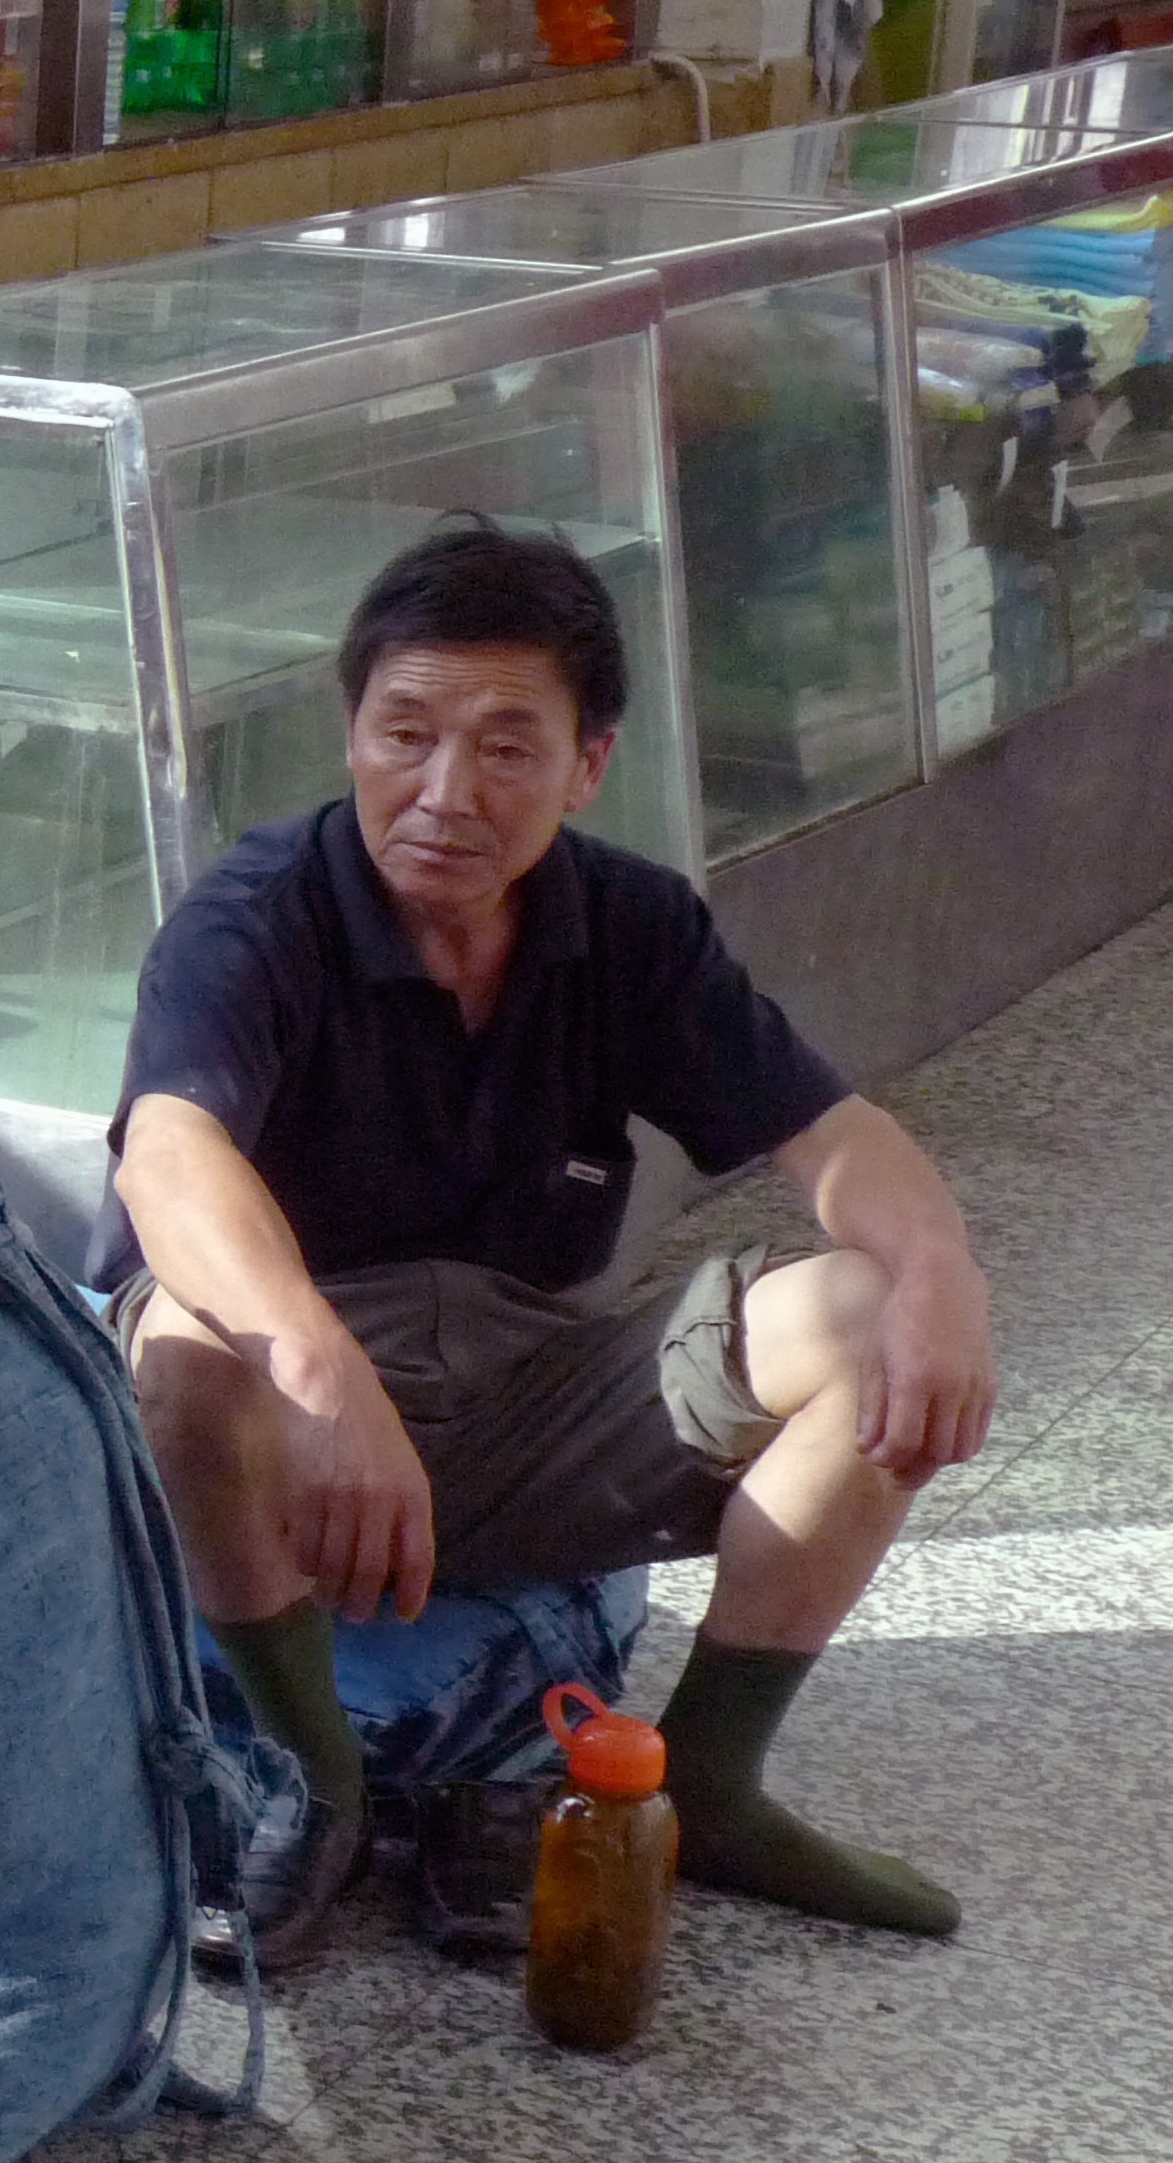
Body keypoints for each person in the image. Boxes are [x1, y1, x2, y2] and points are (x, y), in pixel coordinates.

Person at [104, 519, 993, 1959]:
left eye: (507, 746)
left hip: (524, 1397)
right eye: (405, 732)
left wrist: (940, 1272)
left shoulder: (627, 925)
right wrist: (325, 1380)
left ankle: (705, 1773)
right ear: (350, 731)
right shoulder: (253, 919)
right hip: (282, 1430)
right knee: (186, 1354)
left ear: (589, 762)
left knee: (859, 1310)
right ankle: (313, 1781)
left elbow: (832, 1136)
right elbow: (168, 1153)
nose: (443, 792)